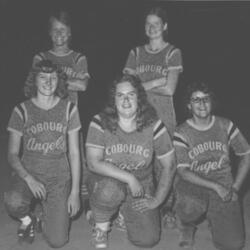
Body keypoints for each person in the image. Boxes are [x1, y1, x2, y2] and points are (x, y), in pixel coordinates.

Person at [85, 74, 176, 249]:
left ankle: (121, 214)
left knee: (148, 239)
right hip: (106, 182)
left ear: (139, 98)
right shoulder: (100, 121)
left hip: (141, 185)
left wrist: (157, 200)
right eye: (120, 95)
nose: (125, 100)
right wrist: (129, 178)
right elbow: (93, 163)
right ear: (114, 99)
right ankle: (101, 227)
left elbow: (169, 165)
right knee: (109, 191)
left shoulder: (154, 125)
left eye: (131, 94)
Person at [4, 60, 81, 248]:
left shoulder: (69, 108)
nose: (48, 82)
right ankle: (27, 220)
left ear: (59, 81)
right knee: (13, 200)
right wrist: (29, 179)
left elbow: (74, 153)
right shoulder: (22, 110)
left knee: (58, 241)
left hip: (58, 178)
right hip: (30, 173)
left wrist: (75, 192)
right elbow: (12, 154)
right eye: (43, 77)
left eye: (53, 77)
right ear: (34, 81)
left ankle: (45, 218)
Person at [123, 6, 183, 228]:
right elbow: (128, 87)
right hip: (137, 114)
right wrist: (158, 81)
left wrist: (142, 85)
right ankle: (135, 205)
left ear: (165, 26)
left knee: (166, 164)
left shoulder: (172, 52)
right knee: (138, 159)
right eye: (148, 23)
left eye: (156, 23)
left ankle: (167, 207)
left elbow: (170, 90)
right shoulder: (136, 53)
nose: (152, 27)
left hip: (163, 114)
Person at [173, 82, 250, 250]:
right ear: (189, 105)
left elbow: (246, 155)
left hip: (224, 184)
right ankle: (187, 225)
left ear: (212, 103)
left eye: (206, 99)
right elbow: (183, 171)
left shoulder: (225, 125)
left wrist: (235, 188)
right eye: (196, 100)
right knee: (189, 206)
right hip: (193, 184)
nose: (201, 104)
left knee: (233, 244)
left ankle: (215, 217)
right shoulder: (182, 132)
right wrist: (215, 187)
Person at [32, 10, 90, 217]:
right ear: (49, 33)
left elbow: (83, 85)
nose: (59, 34)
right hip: (44, 120)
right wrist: (66, 82)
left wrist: (53, 78)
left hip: (70, 118)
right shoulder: (41, 56)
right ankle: (40, 206)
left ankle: (84, 208)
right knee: (44, 162)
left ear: (70, 32)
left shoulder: (78, 57)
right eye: (55, 30)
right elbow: (36, 84)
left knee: (79, 161)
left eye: (63, 30)